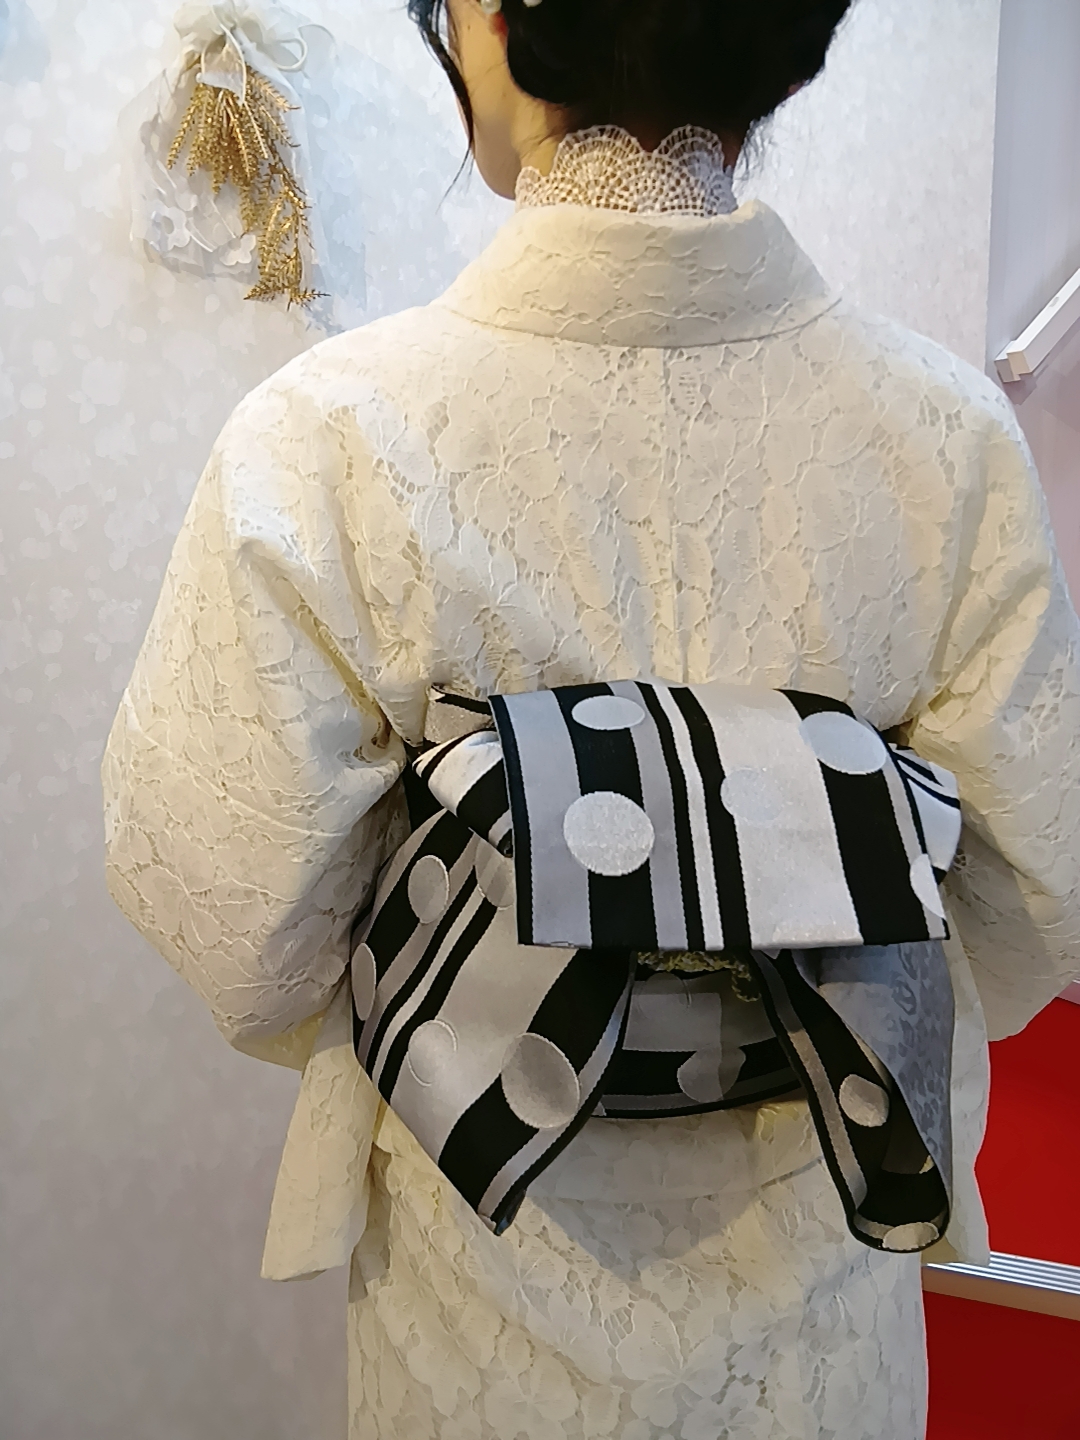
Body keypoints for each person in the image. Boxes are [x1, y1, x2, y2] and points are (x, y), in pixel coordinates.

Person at [103, 2, 1080, 1436]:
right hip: (821, 1279)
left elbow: (235, 924)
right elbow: (1040, 900)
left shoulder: (329, 439)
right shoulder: (947, 440)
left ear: (496, 16)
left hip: (479, 1266)